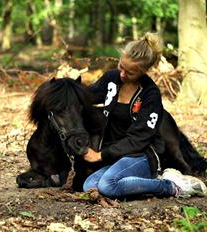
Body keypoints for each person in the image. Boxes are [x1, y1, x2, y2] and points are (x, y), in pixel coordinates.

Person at [82, 32, 206, 199]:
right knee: (89, 185)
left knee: (106, 185)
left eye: (130, 72)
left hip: (141, 156)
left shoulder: (150, 94)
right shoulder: (111, 79)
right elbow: (86, 96)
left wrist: (99, 155)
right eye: (121, 66)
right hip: (115, 156)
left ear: (144, 71)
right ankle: (133, 182)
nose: (122, 75)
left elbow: (138, 140)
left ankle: (171, 186)